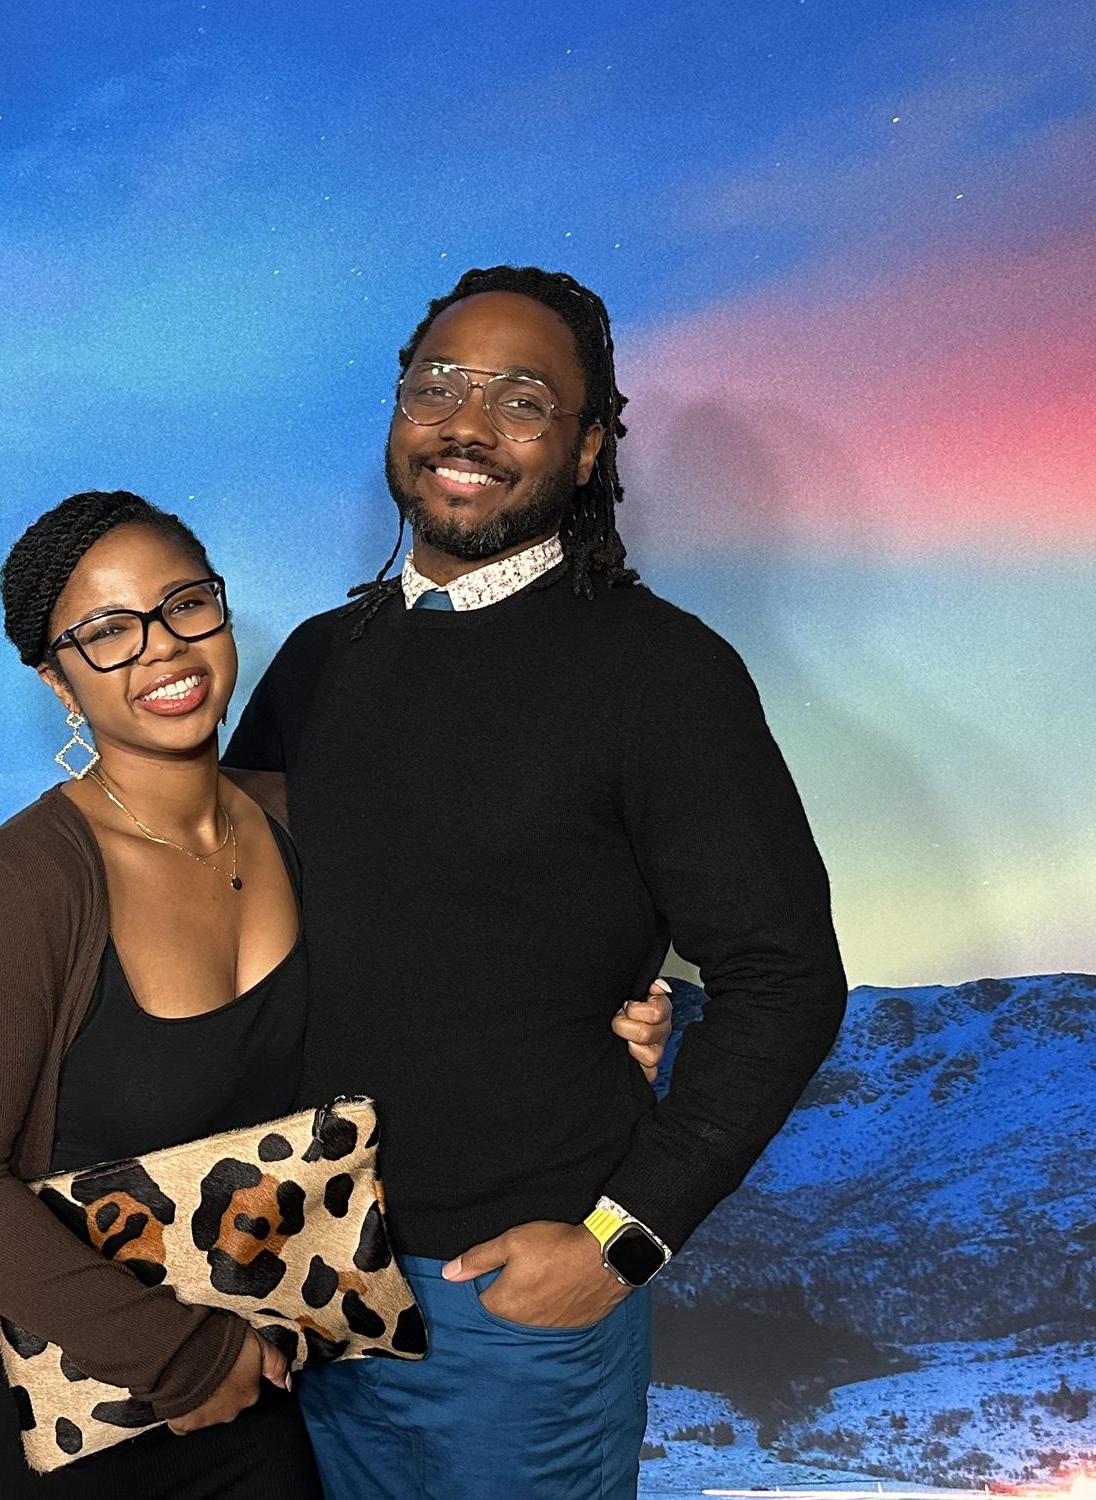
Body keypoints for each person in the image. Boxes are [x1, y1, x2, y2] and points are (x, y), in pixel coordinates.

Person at [0, 489, 671, 1500]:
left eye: (184, 604)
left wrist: (599, 1040)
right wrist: (176, 1354)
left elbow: (442, 992)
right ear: (58, 680)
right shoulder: (17, 888)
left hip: (247, 1381)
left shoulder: (306, 824)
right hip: (35, 1396)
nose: (162, 647)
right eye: (107, 631)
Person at [223, 265, 849, 1499]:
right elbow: (226, 921)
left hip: (504, 1310)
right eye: (438, 387)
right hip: (300, 1288)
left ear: (589, 446)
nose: (466, 426)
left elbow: (786, 979)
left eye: (521, 401)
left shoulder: (662, 675)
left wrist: (622, 1242)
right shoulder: (319, 661)